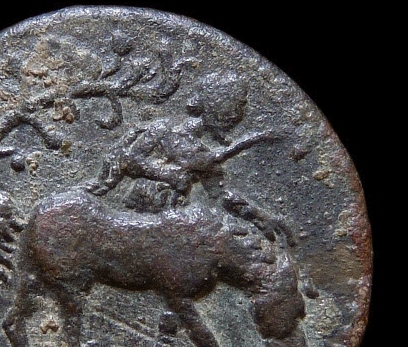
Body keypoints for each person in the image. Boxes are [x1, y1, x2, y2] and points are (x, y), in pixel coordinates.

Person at [86, 71, 291, 243]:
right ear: (218, 105)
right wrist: (165, 173)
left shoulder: (201, 152)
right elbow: (127, 159)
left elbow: (220, 195)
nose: (238, 115)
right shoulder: (164, 130)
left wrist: (260, 216)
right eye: (236, 106)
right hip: (135, 218)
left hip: (171, 224)